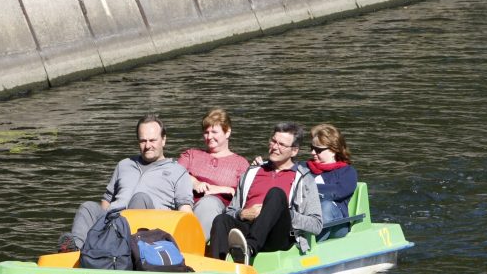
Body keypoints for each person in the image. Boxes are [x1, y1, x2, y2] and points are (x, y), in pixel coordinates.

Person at [57, 114, 193, 252]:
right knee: (88, 208)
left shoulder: (178, 171)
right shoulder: (124, 165)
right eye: (143, 141)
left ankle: (126, 253)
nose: (147, 146)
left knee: (140, 198)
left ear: (163, 140)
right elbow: (106, 202)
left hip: (147, 232)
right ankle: (75, 253)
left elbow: (185, 213)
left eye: (152, 140)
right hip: (113, 223)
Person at [209, 122, 323, 264]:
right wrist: (242, 214)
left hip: (279, 234)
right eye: (273, 141)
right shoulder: (251, 172)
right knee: (221, 220)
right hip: (247, 228)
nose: (275, 147)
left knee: (276, 194)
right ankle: (215, 267)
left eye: (281, 144)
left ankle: (249, 249)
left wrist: (284, 213)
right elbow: (231, 210)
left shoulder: (305, 179)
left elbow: (317, 225)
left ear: (294, 151)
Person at [177, 108, 250, 240]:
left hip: (217, 209)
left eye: (214, 132)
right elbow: (174, 175)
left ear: (227, 132)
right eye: (206, 132)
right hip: (186, 204)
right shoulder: (191, 155)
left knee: (208, 203)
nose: (209, 137)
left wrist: (222, 189)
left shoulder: (241, 164)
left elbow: (246, 197)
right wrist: (194, 182)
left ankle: (194, 245)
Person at [308, 123, 358, 240]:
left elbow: (338, 191)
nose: (313, 153)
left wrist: (308, 188)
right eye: (312, 148)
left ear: (333, 150)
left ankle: (311, 244)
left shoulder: (347, 172)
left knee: (326, 205)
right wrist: (262, 167)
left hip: (337, 223)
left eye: (318, 150)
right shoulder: (303, 168)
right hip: (307, 215)